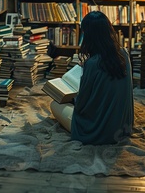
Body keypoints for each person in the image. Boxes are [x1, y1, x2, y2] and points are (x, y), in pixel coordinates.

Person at [49, 11, 134, 145]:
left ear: (88, 36)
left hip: (98, 132)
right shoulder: (124, 54)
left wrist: (72, 96)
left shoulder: (93, 63)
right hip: (124, 128)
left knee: (55, 104)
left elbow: (81, 105)